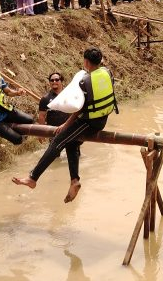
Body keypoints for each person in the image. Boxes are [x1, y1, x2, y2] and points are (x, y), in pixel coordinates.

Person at [13, 48, 117, 203]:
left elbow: (78, 108)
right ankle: (74, 180)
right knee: (71, 143)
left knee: (57, 142)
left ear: (86, 62)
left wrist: (66, 124)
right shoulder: (107, 72)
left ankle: (32, 178)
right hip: (102, 117)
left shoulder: (85, 81)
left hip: (90, 122)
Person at [37, 71, 83, 167]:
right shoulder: (45, 99)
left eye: (57, 80)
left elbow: (77, 110)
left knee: (76, 155)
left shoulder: (70, 94)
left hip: (70, 129)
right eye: (52, 80)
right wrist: (40, 133)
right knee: (54, 157)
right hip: (54, 131)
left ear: (61, 81)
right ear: (49, 82)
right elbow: (41, 116)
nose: (54, 82)